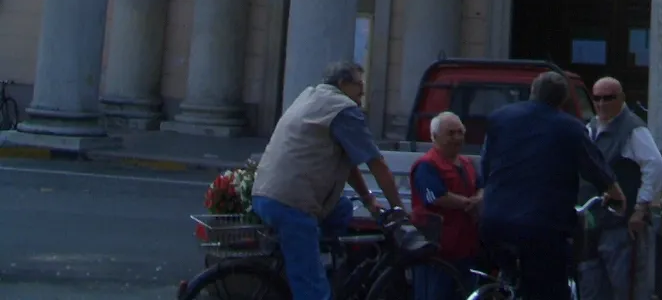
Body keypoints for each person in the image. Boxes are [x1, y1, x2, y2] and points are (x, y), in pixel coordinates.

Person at [251, 59, 406, 300]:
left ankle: (324, 260)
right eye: (359, 90)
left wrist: (368, 199)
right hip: (292, 205)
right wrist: (399, 208)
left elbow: (350, 162)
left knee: (342, 208)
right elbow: (377, 163)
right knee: (314, 291)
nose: (360, 99)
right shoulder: (343, 110)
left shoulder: (310, 96)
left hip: (265, 194)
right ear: (343, 83)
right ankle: (312, 273)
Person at [479, 69, 625, 300]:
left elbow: (486, 166)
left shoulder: (500, 118)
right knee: (551, 287)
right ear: (563, 100)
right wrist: (614, 193)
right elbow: (595, 167)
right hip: (543, 226)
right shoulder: (570, 127)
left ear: (532, 92)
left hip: (494, 220)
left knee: (509, 273)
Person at [578, 78, 662, 300]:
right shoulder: (590, 127)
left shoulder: (633, 129)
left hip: (620, 225)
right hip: (592, 223)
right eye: (597, 98)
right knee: (590, 286)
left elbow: (656, 166)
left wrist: (641, 207)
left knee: (623, 286)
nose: (601, 104)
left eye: (608, 98)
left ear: (621, 98)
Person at [409, 110, 481, 298]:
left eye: (460, 132)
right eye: (450, 133)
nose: (457, 138)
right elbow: (434, 196)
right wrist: (468, 203)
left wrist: (478, 199)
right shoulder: (426, 165)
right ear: (434, 136)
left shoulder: (467, 164)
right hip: (437, 251)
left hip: (465, 248)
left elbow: (482, 187)